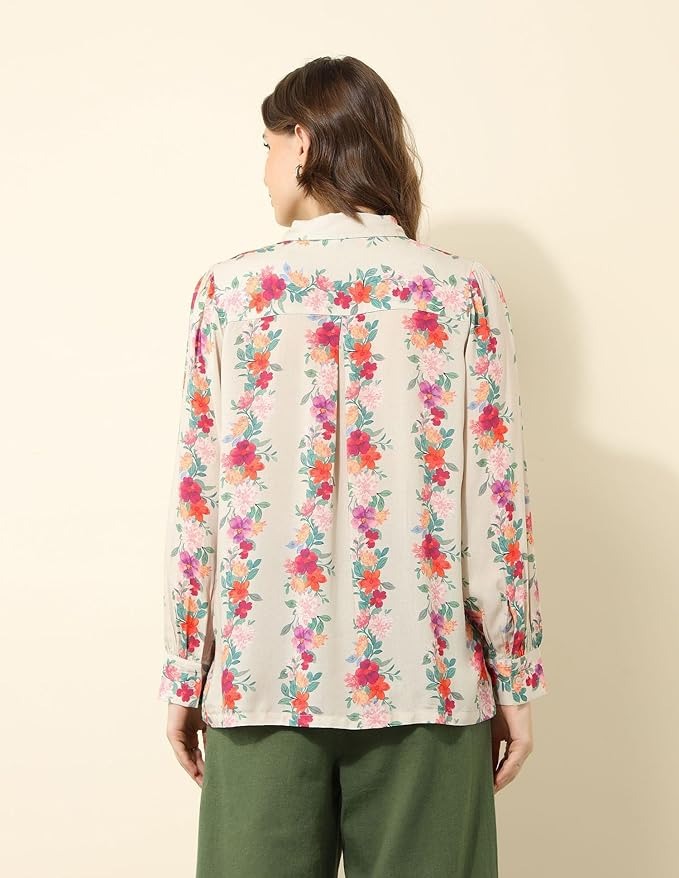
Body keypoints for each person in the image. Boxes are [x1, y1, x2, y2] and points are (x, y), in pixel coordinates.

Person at [158, 55, 549, 878]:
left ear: (301, 143)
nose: (265, 169)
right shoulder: (462, 292)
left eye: (267, 145)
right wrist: (513, 678)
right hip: (428, 683)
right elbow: (495, 508)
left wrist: (185, 672)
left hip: (261, 682)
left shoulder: (229, 293)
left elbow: (200, 504)